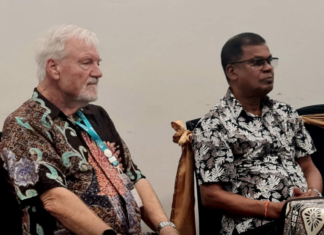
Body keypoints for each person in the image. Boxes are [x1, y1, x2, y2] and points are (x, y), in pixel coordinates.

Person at [0, 25, 178, 235]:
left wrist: (165, 227)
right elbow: (54, 199)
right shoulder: (25, 123)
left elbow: (134, 175)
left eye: (98, 63)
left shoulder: (96, 115)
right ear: (54, 68)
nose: (98, 72)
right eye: (87, 63)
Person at [192, 32, 323, 235]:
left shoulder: (286, 113)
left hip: (306, 219)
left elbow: (309, 167)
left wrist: (312, 197)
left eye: (270, 61)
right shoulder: (213, 125)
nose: (268, 68)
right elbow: (211, 196)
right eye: (257, 62)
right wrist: (275, 210)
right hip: (254, 226)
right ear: (232, 71)